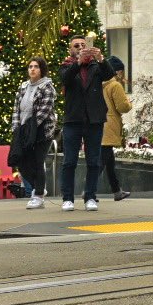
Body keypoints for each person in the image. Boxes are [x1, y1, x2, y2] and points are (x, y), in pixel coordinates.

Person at [59, 34, 112, 211]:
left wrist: (101, 58)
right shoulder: (67, 65)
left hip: (94, 119)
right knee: (69, 161)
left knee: (93, 161)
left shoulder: (96, 66)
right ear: (71, 49)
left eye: (83, 44)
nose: (80, 47)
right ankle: (67, 198)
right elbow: (65, 79)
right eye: (76, 45)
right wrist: (78, 62)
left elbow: (109, 74)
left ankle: (90, 196)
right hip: (73, 119)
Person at [10, 56, 57, 209]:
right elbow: (16, 108)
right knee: (21, 161)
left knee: (38, 162)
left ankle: (38, 196)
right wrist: (17, 129)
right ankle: (39, 187)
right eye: (30, 66)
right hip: (24, 129)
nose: (32, 69)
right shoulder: (23, 86)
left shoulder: (47, 87)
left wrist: (29, 130)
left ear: (41, 69)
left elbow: (43, 112)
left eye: (36, 66)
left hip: (42, 131)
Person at [101, 56, 133, 202]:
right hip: (109, 125)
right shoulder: (115, 85)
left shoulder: (99, 83)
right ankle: (88, 191)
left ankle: (116, 190)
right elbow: (122, 107)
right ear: (118, 71)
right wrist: (129, 103)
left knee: (107, 161)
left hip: (98, 125)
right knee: (104, 161)